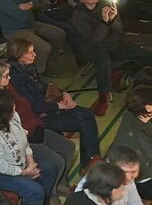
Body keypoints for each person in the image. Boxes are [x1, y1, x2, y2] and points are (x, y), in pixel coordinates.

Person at [6, 38, 103, 166]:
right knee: (85, 122)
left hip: (48, 104)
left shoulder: (28, 67)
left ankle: (91, 159)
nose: (34, 55)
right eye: (30, 52)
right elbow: (32, 105)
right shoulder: (15, 77)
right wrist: (59, 105)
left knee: (87, 115)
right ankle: (90, 160)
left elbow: (44, 84)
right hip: (41, 113)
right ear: (19, 55)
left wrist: (64, 93)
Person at [69, 0, 152, 115]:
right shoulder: (78, 16)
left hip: (114, 42)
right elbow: (95, 40)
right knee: (103, 65)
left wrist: (113, 19)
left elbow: (119, 29)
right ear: (81, 0)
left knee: (147, 57)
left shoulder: (105, 5)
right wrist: (105, 22)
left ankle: (121, 71)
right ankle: (103, 98)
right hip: (94, 48)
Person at [0, 0, 67, 73]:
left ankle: (49, 63)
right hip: (16, 30)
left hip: (31, 23)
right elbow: (20, 17)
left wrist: (28, 5)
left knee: (58, 33)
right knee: (44, 47)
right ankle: (37, 72)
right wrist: (31, 6)